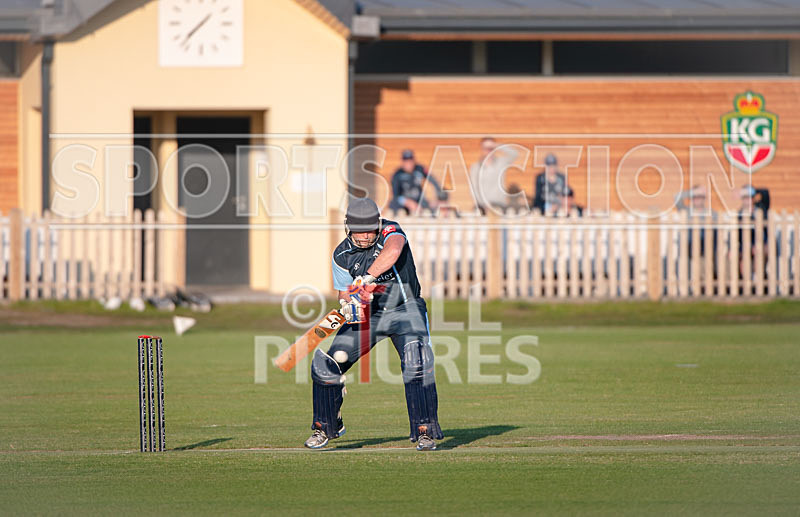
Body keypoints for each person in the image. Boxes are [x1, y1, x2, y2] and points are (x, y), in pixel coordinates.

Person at [305, 197, 444, 451]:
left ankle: (425, 431)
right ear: (348, 228)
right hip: (371, 315)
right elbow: (344, 293)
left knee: (416, 360)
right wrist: (349, 303)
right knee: (327, 365)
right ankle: (324, 426)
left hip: (406, 309)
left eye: (370, 229)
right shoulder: (341, 255)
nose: (366, 236)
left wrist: (367, 278)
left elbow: (393, 251)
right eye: (359, 231)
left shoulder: (391, 231)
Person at [389, 150, 446, 215]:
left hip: (419, 201)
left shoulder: (420, 169)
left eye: (410, 161)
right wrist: (408, 203)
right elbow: (396, 195)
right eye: (406, 161)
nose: (409, 164)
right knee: (394, 209)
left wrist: (440, 197)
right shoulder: (397, 174)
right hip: (403, 204)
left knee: (433, 210)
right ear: (402, 162)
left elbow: (434, 181)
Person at [470, 137, 519, 213]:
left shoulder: (501, 162)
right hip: (482, 207)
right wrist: (482, 204)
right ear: (481, 149)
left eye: (491, 148)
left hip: (500, 205)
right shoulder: (475, 167)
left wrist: (498, 146)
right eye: (485, 148)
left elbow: (515, 154)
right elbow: (474, 189)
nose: (488, 151)